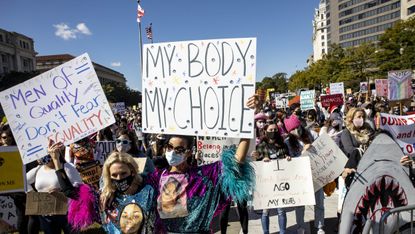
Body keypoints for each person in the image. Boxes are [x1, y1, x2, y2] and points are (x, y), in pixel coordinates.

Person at [140, 95, 257, 233]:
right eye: (170, 147)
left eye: (179, 149)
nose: (172, 152)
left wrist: (248, 118)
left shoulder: (203, 176)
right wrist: (110, 190)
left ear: (189, 152)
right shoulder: (156, 178)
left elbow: (236, 161)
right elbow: (132, 189)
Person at [49, 142, 159, 233]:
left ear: (132, 172)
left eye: (123, 173)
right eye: (114, 175)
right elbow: (70, 191)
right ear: (108, 177)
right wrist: (56, 161)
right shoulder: (104, 200)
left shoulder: (150, 190)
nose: (119, 178)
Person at [284, 114, 325, 234]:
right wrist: (303, 152)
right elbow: (292, 160)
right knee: (300, 204)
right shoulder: (288, 142)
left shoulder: (312, 134)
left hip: (316, 173)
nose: (295, 131)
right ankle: (300, 226)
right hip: (300, 177)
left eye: (296, 127)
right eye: (291, 130)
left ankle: (320, 226)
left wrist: (313, 148)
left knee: (319, 202)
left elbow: (323, 150)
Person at [26, 146, 82, 234]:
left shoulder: (67, 167)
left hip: (67, 211)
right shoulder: (38, 169)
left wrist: (62, 191)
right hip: (47, 212)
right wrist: (34, 194)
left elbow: (79, 185)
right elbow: (23, 181)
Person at [255, 123, 290, 234]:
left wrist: (288, 158)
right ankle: (266, 232)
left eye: (275, 129)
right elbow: (257, 163)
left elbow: (287, 157)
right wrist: (260, 160)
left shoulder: (283, 144)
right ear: (265, 131)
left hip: (280, 181)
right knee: (265, 211)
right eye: (271, 129)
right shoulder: (261, 146)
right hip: (267, 182)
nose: (273, 131)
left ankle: (282, 232)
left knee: (281, 210)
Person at [340, 107, 375, 185]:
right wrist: (364, 151)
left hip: (369, 167)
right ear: (351, 119)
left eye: (363, 117)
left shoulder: (369, 130)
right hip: (353, 170)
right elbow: (350, 150)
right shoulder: (346, 133)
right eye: (359, 117)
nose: (361, 119)